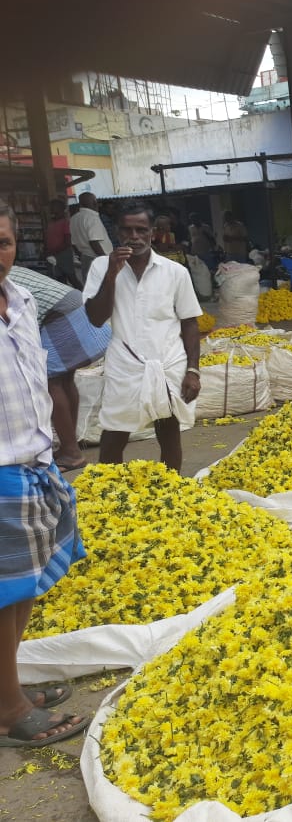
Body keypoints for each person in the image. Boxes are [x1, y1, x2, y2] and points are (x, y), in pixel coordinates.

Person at [0, 202, 89, 748]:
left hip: (33, 461)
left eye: (3, 242)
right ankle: (9, 710)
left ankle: (7, 686)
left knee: (24, 586)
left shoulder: (24, 299)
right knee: (3, 592)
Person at [83, 202, 202, 472]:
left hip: (168, 360)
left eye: (141, 230)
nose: (134, 237)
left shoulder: (175, 272)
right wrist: (112, 274)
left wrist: (193, 370)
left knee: (169, 429)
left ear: (153, 233)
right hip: (125, 364)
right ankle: (108, 491)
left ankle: (170, 490)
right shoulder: (102, 267)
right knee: (115, 431)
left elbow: (190, 323)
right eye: (127, 230)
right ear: (117, 231)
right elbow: (96, 317)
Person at [8, 266, 111, 471]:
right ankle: (69, 445)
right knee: (64, 380)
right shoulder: (10, 267)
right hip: (73, 305)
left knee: (49, 381)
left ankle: (71, 453)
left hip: (61, 315)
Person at [69, 192, 111, 282]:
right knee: (103, 287)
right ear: (94, 202)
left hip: (86, 257)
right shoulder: (92, 218)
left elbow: (73, 243)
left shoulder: (74, 218)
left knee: (90, 287)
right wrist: (104, 259)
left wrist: (82, 256)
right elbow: (94, 242)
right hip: (97, 258)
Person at [44, 199, 75, 287]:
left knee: (71, 277)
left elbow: (67, 242)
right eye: (51, 207)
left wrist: (52, 252)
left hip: (63, 253)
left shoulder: (65, 222)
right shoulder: (51, 223)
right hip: (53, 254)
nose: (51, 209)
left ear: (61, 208)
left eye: (54, 207)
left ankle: (84, 296)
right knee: (59, 279)